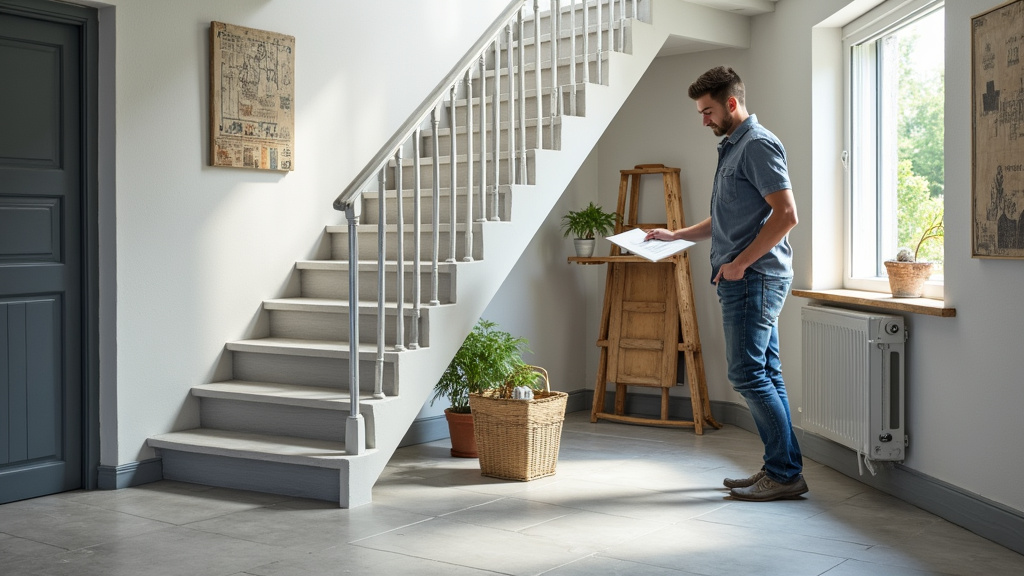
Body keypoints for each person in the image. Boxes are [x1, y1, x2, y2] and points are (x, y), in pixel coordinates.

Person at [645, 66, 806, 501]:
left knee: (747, 373)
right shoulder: (734, 148)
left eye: (708, 111)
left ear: (731, 103)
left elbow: (786, 215)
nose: (704, 120)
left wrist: (739, 264)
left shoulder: (756, 145)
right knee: (765, 373)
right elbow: (731, 217)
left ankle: (784, 473)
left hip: (753, 278)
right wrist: (677, 235)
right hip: (748, 277)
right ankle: (782, 469)